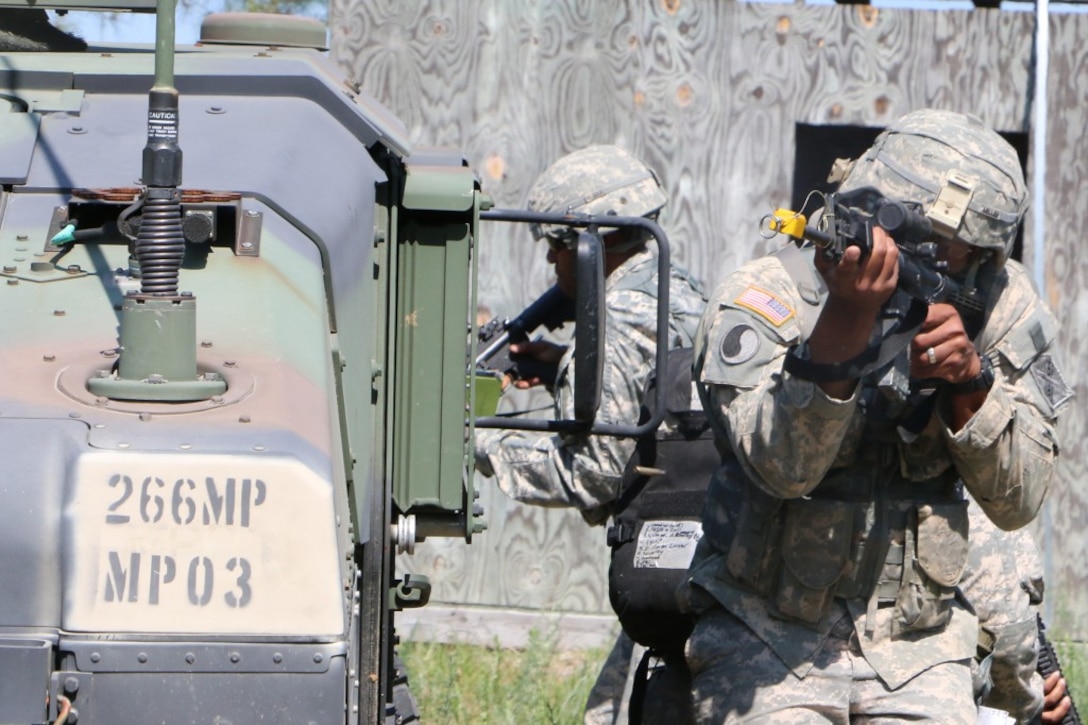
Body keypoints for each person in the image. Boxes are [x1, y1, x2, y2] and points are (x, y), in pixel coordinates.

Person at [681, 108, 1071, 722]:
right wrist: (844, 326)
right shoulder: (768, 296)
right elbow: (781, 470)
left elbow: (1019, 500)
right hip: (765, 630)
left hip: (920, 643)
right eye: (940, 246)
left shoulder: (999, 305)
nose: (953, 265)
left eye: (969, 254)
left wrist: (970, 382)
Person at [474, 144, 707, 724]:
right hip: (703, 554)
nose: (552, 264)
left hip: (667, 566)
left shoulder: (616, 325)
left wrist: (478, 441)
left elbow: (593, 472)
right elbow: (658, 401)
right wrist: (559, 368)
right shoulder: (682, 294)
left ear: (590, 243)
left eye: (556, 246)